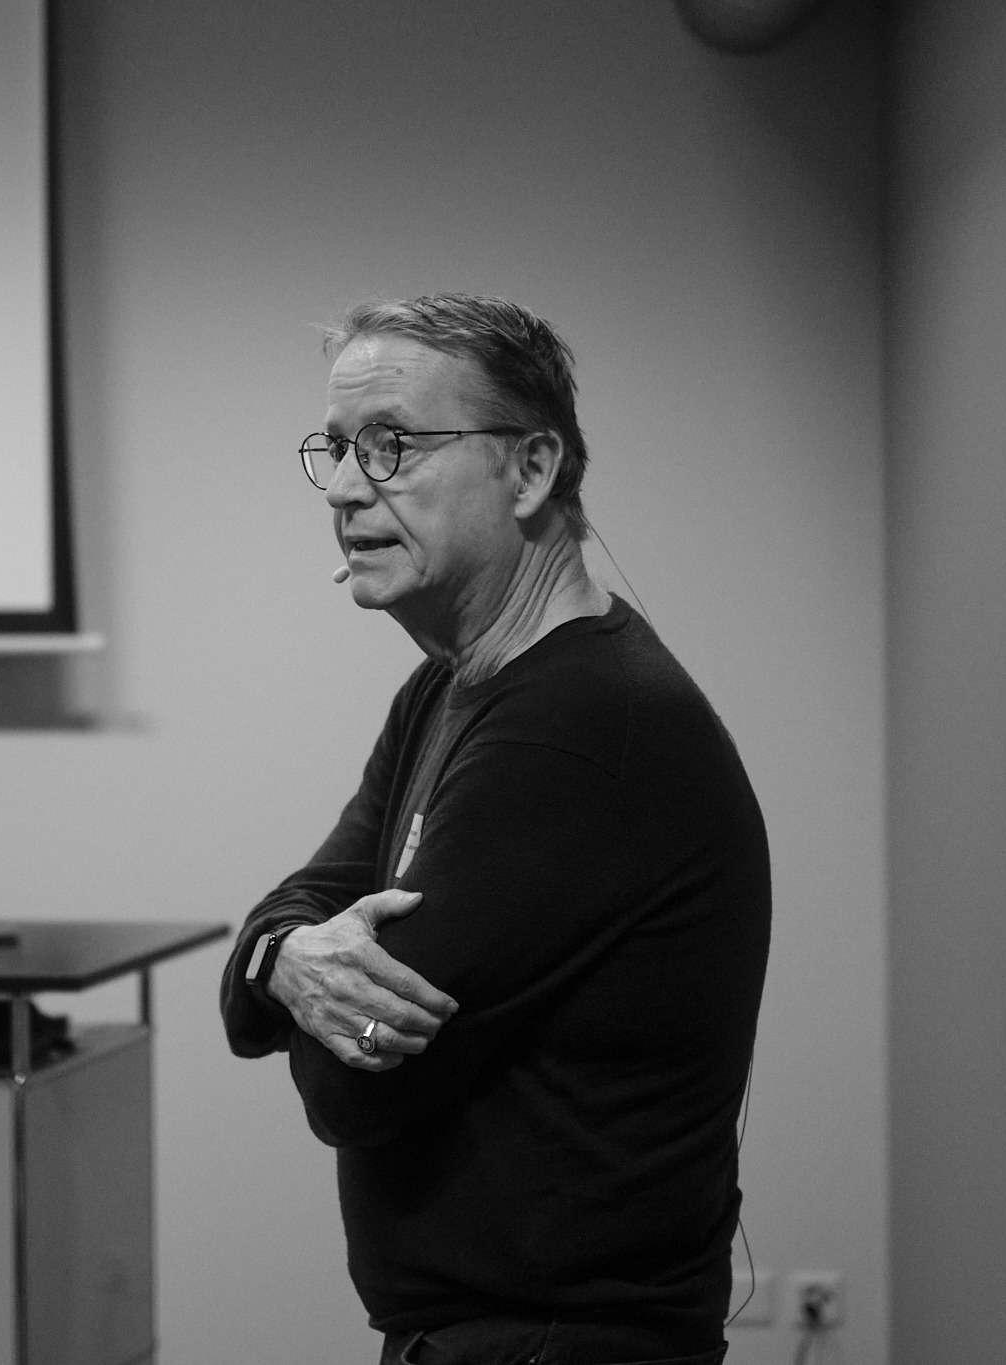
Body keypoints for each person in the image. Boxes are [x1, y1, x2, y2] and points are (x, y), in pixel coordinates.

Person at [219, 293, 770, 1365]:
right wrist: (281, 960)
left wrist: (276, 972)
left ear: (529, 470)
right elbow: (295, 920)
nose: (344, 488)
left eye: (391, 445)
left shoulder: (581, 726)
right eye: (338, 449)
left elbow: (351, 1084)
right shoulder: (448, 689)